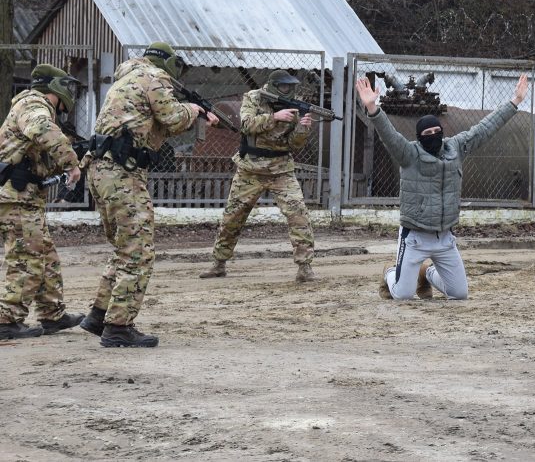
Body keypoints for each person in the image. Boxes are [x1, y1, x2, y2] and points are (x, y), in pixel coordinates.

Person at [79, 42, 217, 347]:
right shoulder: (153, 79)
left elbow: (153, 128)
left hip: (102, 170)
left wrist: (191, 114)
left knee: (125, 247)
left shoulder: (129, 78)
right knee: (138, 250)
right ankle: (118, 327)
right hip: (121, 172)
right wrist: (192, 111)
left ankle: (99, 315)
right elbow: (173, 118)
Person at [355, 73, 529, 300]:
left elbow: (485, 129)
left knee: (459, 294)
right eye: (427, 134)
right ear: (419, 137)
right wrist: (373, 108)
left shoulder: (455, 148)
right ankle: (390, 273)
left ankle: (426, 273)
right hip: (414, 237)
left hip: (444, 238)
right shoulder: (409, 154)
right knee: (403, 296)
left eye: (436, 132)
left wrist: (515, 101)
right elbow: (389, 135)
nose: (433, 136)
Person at [198, 70, 316, 282]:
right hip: (250, 168)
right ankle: (218, 263)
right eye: (284, 87)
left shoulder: (295, 105)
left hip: (281, 169)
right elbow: (245, 126)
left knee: (298, 214)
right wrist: (274, 117)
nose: (288, 91)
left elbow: (294, 144)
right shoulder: (253, 97)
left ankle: (304, 267)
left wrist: (302, 129)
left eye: (290, 87)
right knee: (233, 217)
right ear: (273, 86)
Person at [0, 65, 84, 340]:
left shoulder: (30, 105)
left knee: (45, 254)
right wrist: (71, 163)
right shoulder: (34, 104)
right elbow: (41, 129)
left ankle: (52, 314)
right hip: (16, 198)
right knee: (27, 256)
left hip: (25, 197)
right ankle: (7, 320)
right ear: (55, 89)